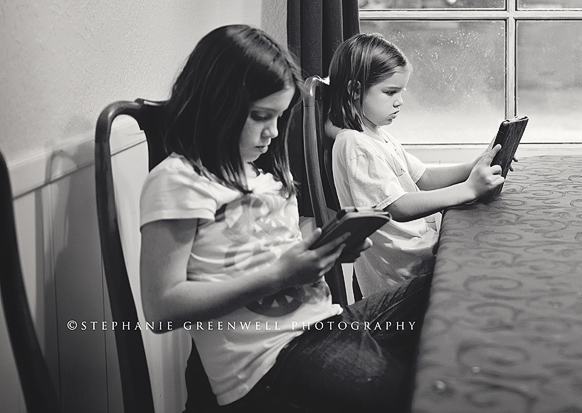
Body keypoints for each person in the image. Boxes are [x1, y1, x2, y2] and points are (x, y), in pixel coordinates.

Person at [139, 25, 429, 413]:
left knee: (442, 288)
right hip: (271, 357)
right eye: (261, 116)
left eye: (278, 117)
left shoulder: (264, 178)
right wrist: (280, 274)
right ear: (216, 104)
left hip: (326, 322)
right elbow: (161, 309)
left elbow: (274, 255)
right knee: (408, 392)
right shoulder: (178, 181)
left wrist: (327, 251)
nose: (272, 133)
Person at [327, 32, 505, 296]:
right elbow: (396, 207)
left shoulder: (376, 135)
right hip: (403, 276)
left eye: (402, 91)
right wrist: (468, 190)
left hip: (419, 254)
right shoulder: (355, 144)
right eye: (390, 92)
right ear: (354, 90)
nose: (400, 101)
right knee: (490, 269)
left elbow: (425, 177)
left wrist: (474, 166)